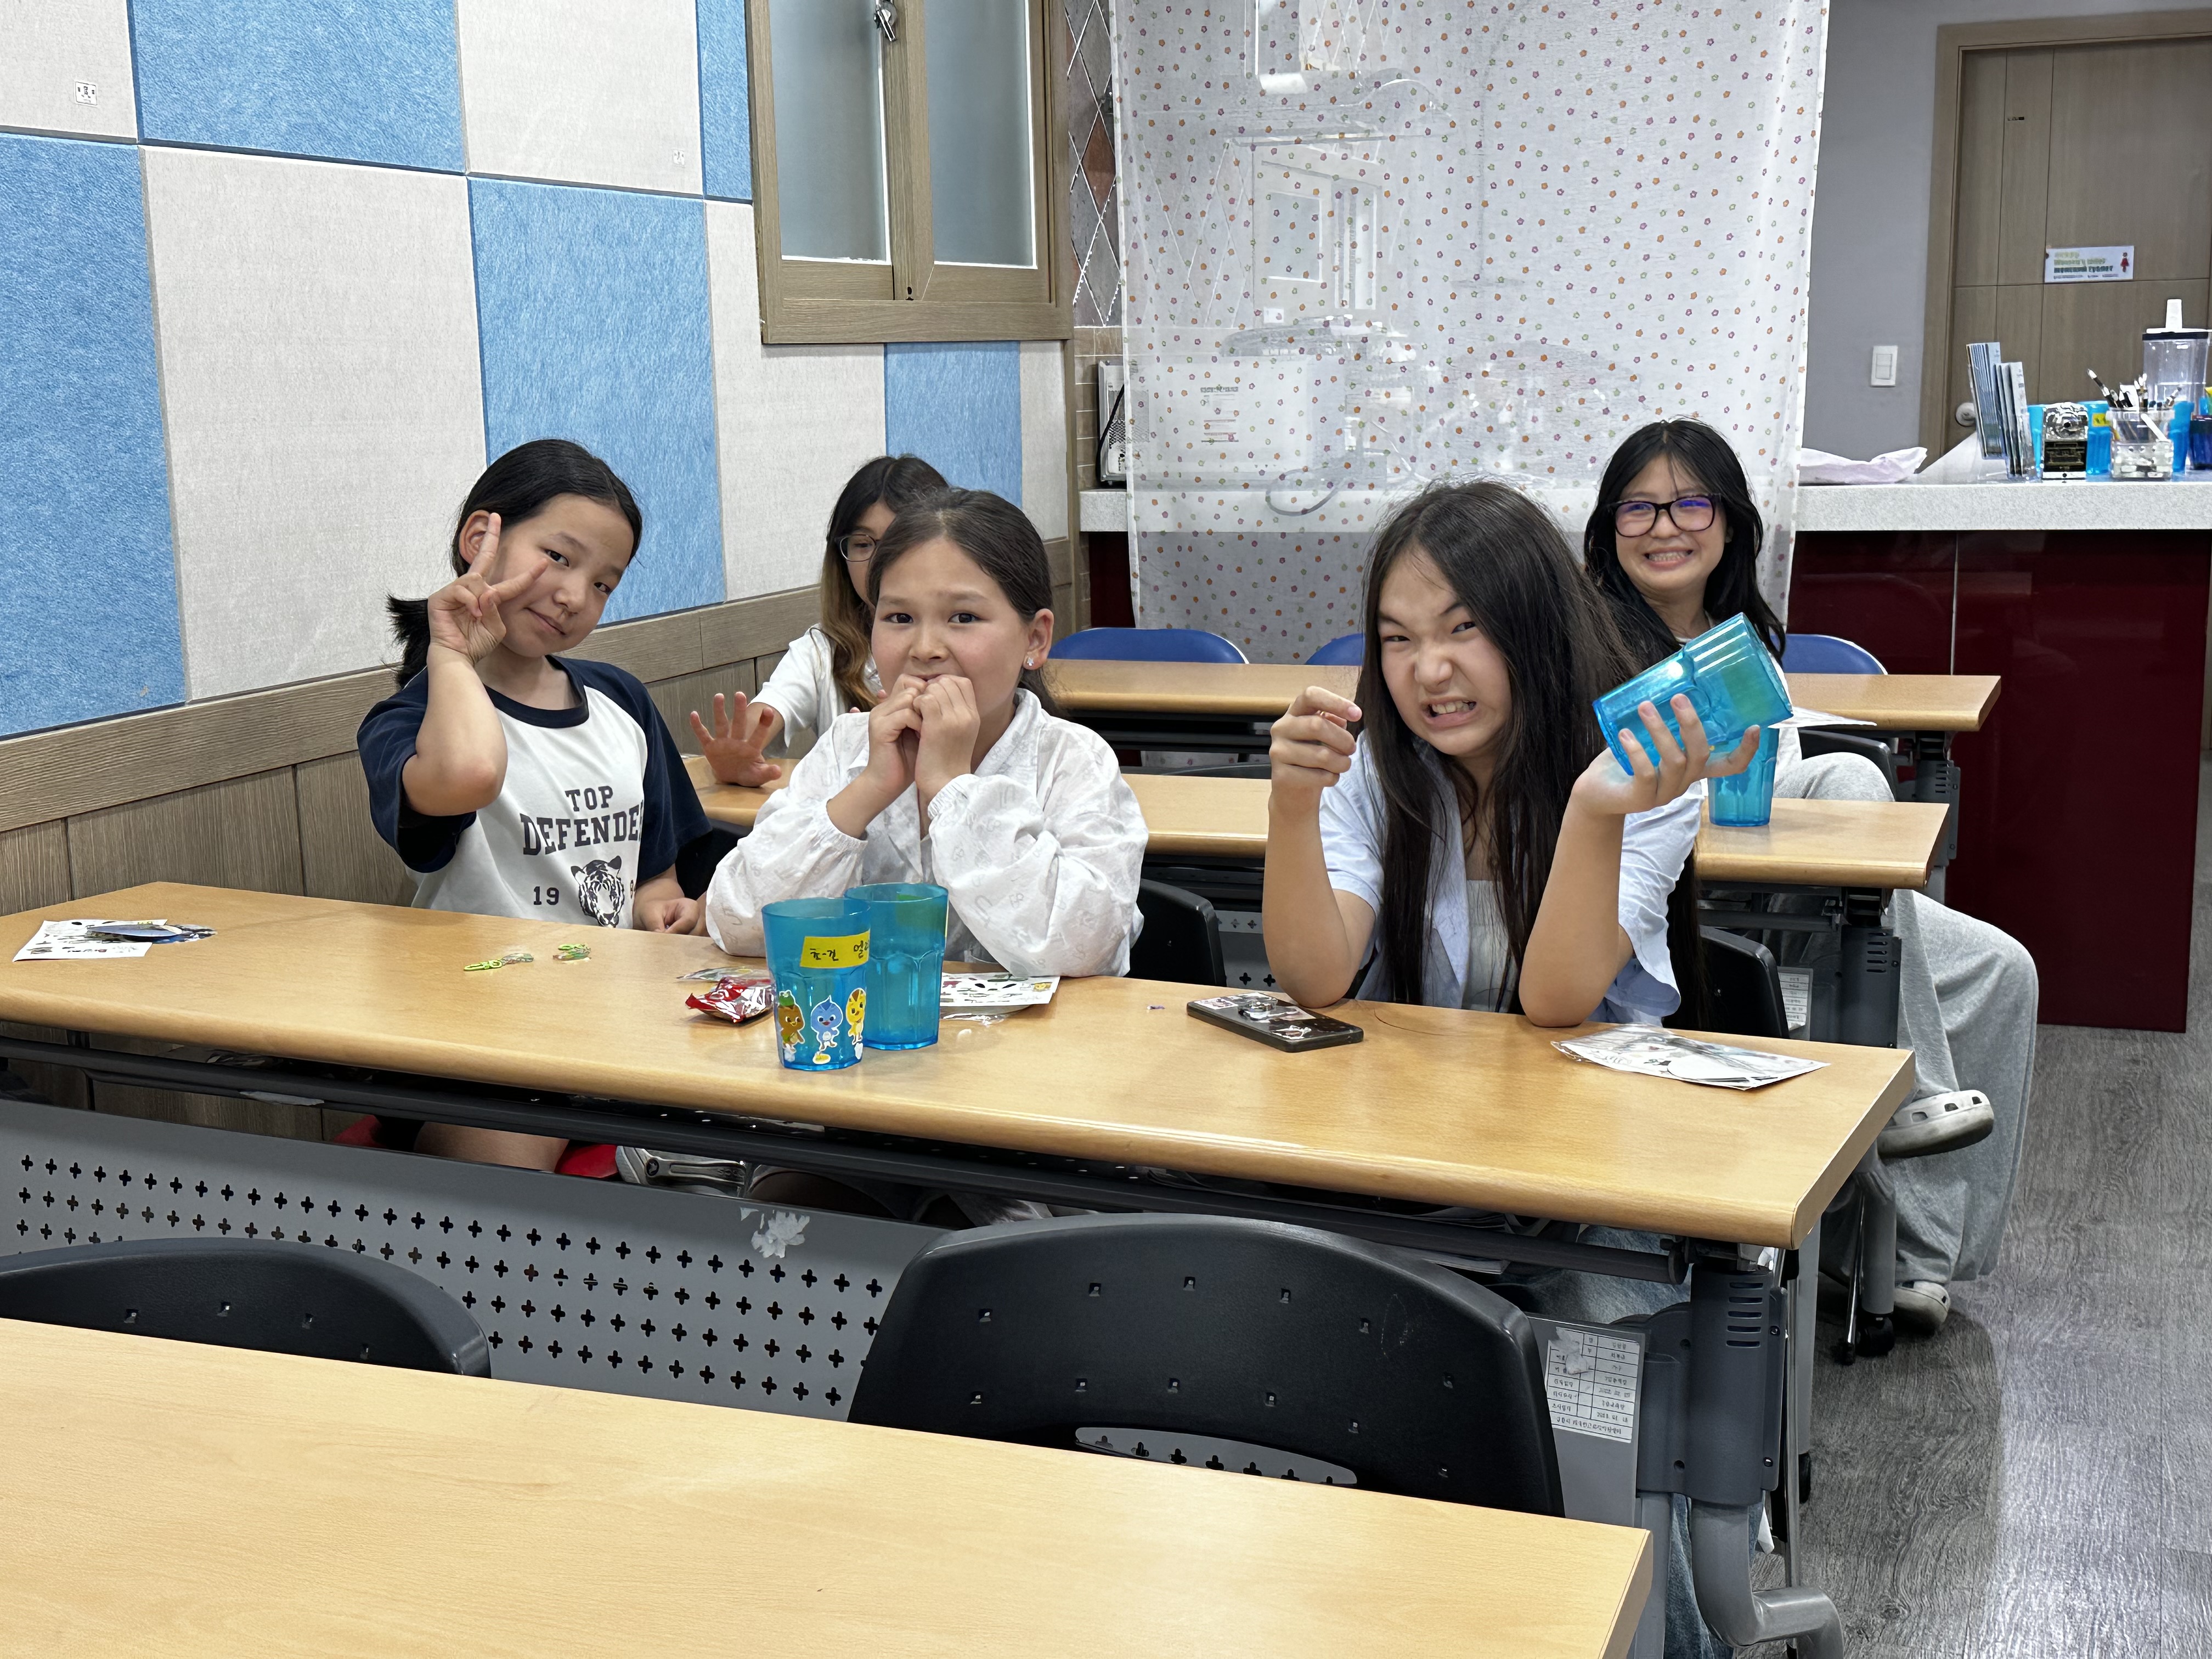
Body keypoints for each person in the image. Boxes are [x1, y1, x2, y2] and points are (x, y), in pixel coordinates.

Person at [1263, 478, 1756, 1659]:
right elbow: (1316, 975)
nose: (1428, 670)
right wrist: (1289, 804)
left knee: (1593, 1418)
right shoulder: (1382, 776)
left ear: (1532, 625)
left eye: (1463, 628)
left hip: (1593, 1196)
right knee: (1300, 1350)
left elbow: (1555, 1001)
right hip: (1417, 1180)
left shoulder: (1638, 771)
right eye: (1397, 639)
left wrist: (1592, 810)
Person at [1584, 417, 2039, 1334]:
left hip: (1779, 876)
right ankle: (1907, 1102)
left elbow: (1770, 784)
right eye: (1638, 506)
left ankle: (1915, 1259)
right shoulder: (1587, 642)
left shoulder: (1739, 637)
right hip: (1677, 894)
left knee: (2002, 969)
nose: (1664, 526)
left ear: (1729, 524)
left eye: (1689, 504)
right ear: (1609, 527)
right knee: (1849, 779)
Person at [703, 487, 1147, 1222]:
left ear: (1035, 639)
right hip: (850, 1108)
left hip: (1023, 1127)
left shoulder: (1073, 762)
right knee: (785, 1226)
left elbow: (1081, 944)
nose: (926, 647)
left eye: (963, 618)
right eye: (898, 618)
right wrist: (869, 790)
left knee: (961, 1248)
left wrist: (952, 788)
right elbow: (739, 921)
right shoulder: (848, 749)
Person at [358, 438, 710, 1171]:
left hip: (611, 1018)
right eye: (558, 557)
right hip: (480, 1037)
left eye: (604, 583)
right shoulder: (412, 722)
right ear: (479, 539)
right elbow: (471, 774)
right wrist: (451, 653)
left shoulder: (620, 701)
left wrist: (663, 910)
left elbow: (654, 876)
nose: (576, 596)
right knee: (507, 1154)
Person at [687, 454, 948, 784]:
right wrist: (735, 754)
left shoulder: (967, 643)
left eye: (900, 541)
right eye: (863, 544)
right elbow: (765, 716)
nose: (881, 562)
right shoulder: (823, 649)